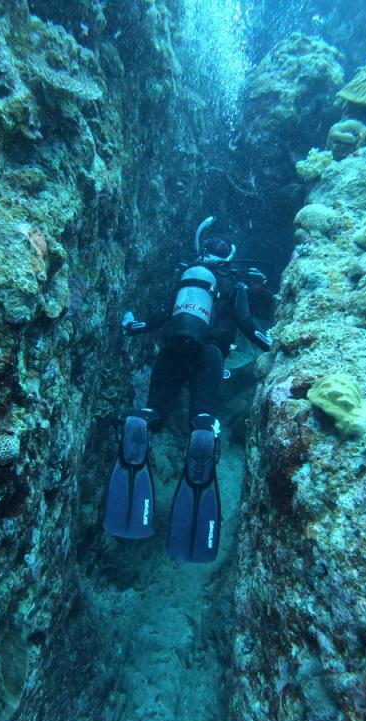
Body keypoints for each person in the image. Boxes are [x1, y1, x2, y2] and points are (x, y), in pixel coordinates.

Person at [103, 217, 273, 563]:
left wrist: (131, 326)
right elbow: (244, 322)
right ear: (230, 258)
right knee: (201, 419)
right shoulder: (232, 283)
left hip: (173, 347)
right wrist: (271, 342)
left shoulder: (187, 278)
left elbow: (161, 315)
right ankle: (202, 437)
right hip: (210, 354)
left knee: (155, 411)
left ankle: (142, 421)